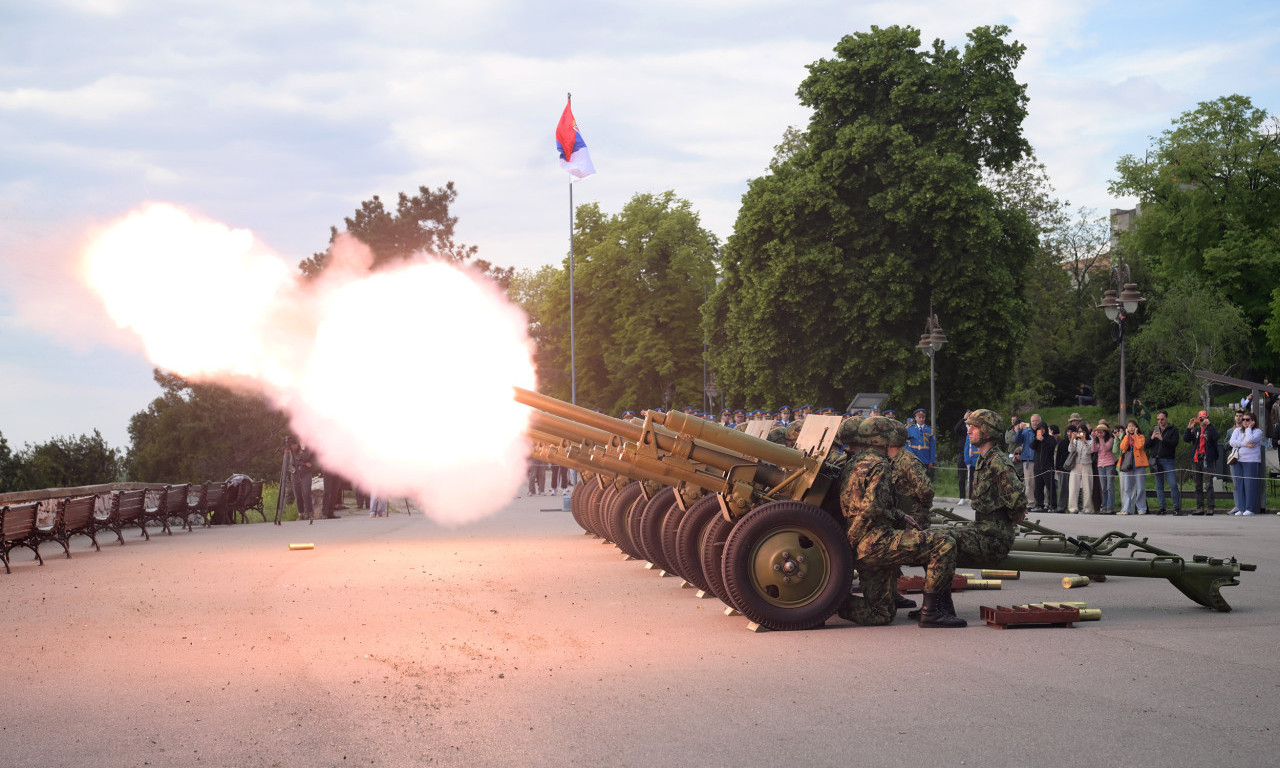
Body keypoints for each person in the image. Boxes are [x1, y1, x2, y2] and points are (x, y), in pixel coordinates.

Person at [836, 417, 965, 628]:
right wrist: (851, 542)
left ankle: (834, 603)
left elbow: (861, 502)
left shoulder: (853, 462)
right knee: (944, 542)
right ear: (881, 440)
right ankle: (932, 612)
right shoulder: (879, 464)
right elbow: (871, 508)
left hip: (863, 543)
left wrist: (898, 514)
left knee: (882, 614)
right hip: (874, 541)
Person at [950, 408, 1028, 567]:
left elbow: (1018, 499)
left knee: (939, 541)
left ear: (986, 432)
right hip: (983, 531)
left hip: (994, 539)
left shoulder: (997, 461)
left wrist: (1012, 518)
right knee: (934, 537)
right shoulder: (984, 459)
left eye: (974, 427)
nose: (969, 431)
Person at [1184, 410, 1220, 515]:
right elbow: (1186, 439)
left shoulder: (1210, 429)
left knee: (1208, 484)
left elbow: (1216, 437)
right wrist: (1189, 427)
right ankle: (1199, 507)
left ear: (1207, 418)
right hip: (1196, 459)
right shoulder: (1196, 430)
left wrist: (1209, 425)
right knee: (1197, 484)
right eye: (1200, 418)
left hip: (1207, 459)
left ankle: (1210, 507)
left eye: (1203, 418)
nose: (1201, 420)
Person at [1228, 412, 1264, 516]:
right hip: (1237, 460)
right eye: (1243, 419)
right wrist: (1245, 444)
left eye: (1247, 420)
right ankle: (1241, 507)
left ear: (1253, 421)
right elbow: (1232, 442)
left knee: (1250, 485)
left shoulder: (1257, 431)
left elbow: (1250, 439)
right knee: (1240, 485)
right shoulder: (1237, 430)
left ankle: (1250, 508)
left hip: (1251, 461)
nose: (1244, 422)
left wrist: (1249, 429)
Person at [1149, 410, 1182, 515]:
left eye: (1162, 419)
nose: (1160, 421)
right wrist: (1152, 438)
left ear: (1166, 418)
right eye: (1158, 419)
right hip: (1156, 460)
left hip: (1168, 460)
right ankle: (1162, 507)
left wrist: (1162, 439)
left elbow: (1174, 444)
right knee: (1159, 486)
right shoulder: (1154, 430)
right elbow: (1146, 445)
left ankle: (1176, 507)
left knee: (1173, 484)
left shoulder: (1173, 430)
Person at [1117, 419, 1149, 515]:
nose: (1131, 428)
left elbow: (1140, 446)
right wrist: (1127, 436)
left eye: (1132, 426)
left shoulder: (1141, 436)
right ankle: (1126, 509)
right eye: (1129, 426)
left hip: (1139, 463)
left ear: (1136, 427)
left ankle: (1141, 508)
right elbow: (1122, 447)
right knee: (1127, 488)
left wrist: (1135, 435)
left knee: (1140, 488)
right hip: (1127, 464)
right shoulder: (1125, 437)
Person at [1065, 425, 1093, 514]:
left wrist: (1084, 441)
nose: (1081, 433)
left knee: (1087, 487)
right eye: (1079, 431)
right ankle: (1073, 507)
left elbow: (1090, 451)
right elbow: (1070, 450)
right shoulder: (1076, 441)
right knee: (1073, 487)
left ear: (1086, 432)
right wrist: (1072, 439)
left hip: (1087, 465)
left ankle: (1087, 508)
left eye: (1083, 432)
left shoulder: (1091, 441)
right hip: (1076, 465)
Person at [1091, 420, 1117, 514]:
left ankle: (1110, 507)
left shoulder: (1110, 439)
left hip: (1109, 464)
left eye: (1102, 431)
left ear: (1106, 432)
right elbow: (1093, 449)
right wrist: (1094, 438)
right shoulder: (1097, 440)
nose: (1100, 432)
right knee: (1103, 487)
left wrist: (1101, 439)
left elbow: (1105, 448)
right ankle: (1104, 506)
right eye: (1099, 431)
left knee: (1110, 487)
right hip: (1100, 465)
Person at [286, 437, 314, 521]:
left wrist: (303, 449)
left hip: (305, 473)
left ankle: (310, 513)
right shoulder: (290, 451)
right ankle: (300, 513)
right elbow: (292, 462)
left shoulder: (305, 448)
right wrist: (303, 463)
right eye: (291, 445)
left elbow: (307, 458)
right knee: (297, 495)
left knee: (306, 493)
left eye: (294, 445)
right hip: (295, 473)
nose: (293, 447)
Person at [1031, 421, 1056, 513]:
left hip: (1047, 467)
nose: (1041, 431)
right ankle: (1039, 504)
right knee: (1038, 487)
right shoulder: (1036, 439)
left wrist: (1043, 440)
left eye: (1043, 429)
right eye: (1039, 429)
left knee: (1050, 487)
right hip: (1038, 467)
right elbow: (1032, 446)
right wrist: (1036, 439)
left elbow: (1051, 447)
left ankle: (1053, 505)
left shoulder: (1050, 439)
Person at [905, 408, 935, 478]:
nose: (921, 419)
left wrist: (932, 460)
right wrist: (910, 453)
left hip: (925, 458)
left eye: (923, 417)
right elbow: (906, 443)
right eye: (919, 417)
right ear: (916, 418)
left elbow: (932, 446)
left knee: (925, 479)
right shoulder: (910, 429)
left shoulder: (929, 430)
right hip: (914, 458)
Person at [1225, 410, 1245, 515]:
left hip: (1245, 458)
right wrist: (1232, 438)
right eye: (1236, 416)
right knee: (1236, 484)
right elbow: (1225, 445)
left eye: (1240, 416)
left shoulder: (1246, 429)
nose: (1238, 418)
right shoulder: (1230, 431)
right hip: (1234, 458)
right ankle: (1237, 505)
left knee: (1245, 483)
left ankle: (1245, 506)